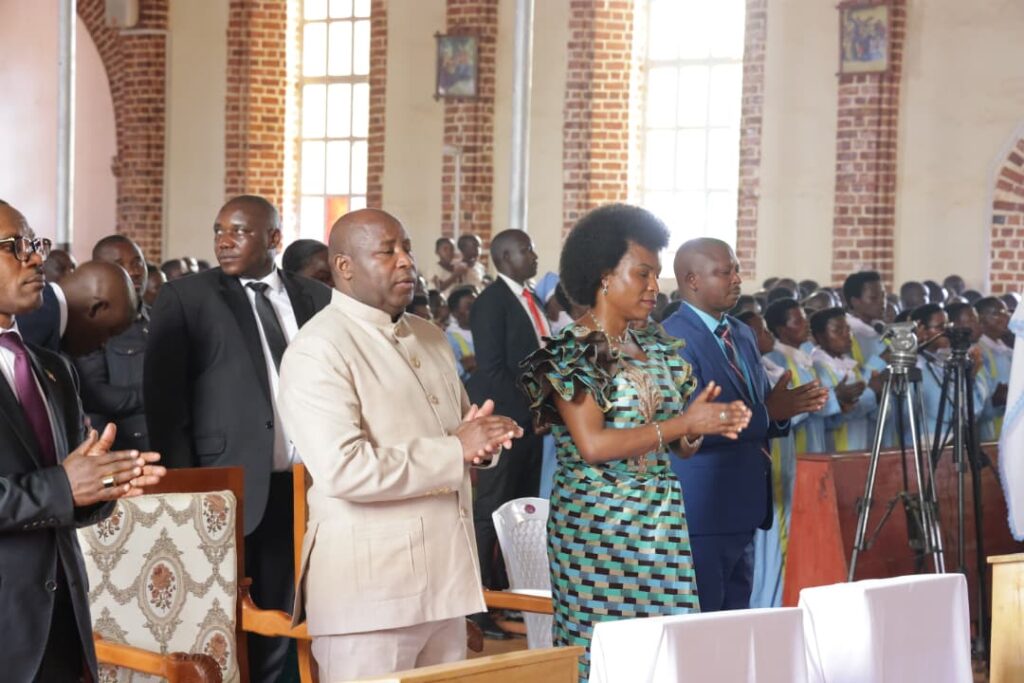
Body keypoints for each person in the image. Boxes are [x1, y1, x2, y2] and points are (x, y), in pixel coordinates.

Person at [277, 208, 521, 680]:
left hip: (446, 580)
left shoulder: (428, 336)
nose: (406, 260)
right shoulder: (318, 347)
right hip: (369, 593)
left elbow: (457, 433)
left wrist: (482, 442)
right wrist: (456, 449)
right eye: (387, 252)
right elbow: (344, 470)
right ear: (344, 266)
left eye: (406, 248)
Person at [520, 204, 750, 680]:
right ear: (604, 276)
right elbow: (593, 445)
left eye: (655, 275)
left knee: (664, 652)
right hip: (597, 529)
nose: (653, 287)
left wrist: (698, 429)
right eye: (642, 274)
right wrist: (681, 424)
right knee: (605, 653)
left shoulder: (655, 348)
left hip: (661, 522)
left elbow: (677, 444)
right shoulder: (574, 350)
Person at [144, 195, 331, 683]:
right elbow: (165, 405)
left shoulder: (316, 297)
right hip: (233, 488)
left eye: (239, 231)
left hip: (312, 486)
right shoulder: (188, 297)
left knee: (302, 612)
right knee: (236, 621)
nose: (224, 241)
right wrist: (189, 494)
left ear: (274, 238)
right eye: (219, 231)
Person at [0, 200, 165, 681]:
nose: (36, 258)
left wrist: (106, 483)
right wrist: (64, 486)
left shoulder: (53, 368)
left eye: (35, 244)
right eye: (15, 246)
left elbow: (71, 493)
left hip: (59, 623)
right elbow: (60, 486)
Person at [662, 238, 828, 612]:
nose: (737, 279)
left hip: (746, 502)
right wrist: (769, 413)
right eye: (725, 272)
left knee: (736, 621)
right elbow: (691, 424)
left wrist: (783, 411)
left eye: (737, 270)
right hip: (702, 507)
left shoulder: (740, 332)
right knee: (703, 621)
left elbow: (760, 401)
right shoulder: (672, 338)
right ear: (692, 280)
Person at [466, 229, 547, 623]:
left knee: (520, 510)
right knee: (491, 510)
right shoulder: (491, 302)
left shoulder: (531, 298)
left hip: (532, 424)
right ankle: (481, 603)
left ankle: (515, 595)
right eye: (526, 249)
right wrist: (529, 412)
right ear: (504, 257)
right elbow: (493, 370)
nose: (534, 255)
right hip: (506, 422)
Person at [737, 309, 799, 608]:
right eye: (759, 331)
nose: (767, 336)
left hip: (780, 465)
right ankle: (767, 606)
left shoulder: (773, 367)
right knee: (764, 556)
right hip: (759, 473)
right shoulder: (744, 371)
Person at [74, 235, 151, 451]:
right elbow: (94, 395)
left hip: (171, 442)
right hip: (125, 448)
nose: (134, 271)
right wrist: (156, 394)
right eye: (120, 265)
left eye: (138, 262)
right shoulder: (91, 326)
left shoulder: (162, 318)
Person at [17, 259, 137, 358]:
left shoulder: (44, 309)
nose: (103, 345)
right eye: (110, 332)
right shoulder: (36, 317)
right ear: (96, 308)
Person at [764, 299, 840, 453]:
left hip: (816, 444)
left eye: (806, 319)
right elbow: (783, 412)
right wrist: (826, 399)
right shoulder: (774, 362)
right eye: (798, 321)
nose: (807, 324)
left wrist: (838, 400)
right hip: (792, 450)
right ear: (781, 330)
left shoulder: (808, 358)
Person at [810, 307, 882, 452]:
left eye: (848, 330)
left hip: (861, 445)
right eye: (838, 331)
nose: (847, 336)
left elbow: (870, 412)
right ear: (820, 337)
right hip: (836, 449)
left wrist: (879, 394)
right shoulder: (818, 368)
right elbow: (831, 418)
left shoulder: (850, 365)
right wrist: (871, 392)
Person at [976, 296, 1012, 440]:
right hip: (988, 434)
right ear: (981, 319)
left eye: (1006, 312)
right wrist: (997, 400)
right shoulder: (978, 351)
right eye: (999, 313)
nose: (1006, 317)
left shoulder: (1007, 351)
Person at [843, 271, 887, 367]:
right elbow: (854, 374)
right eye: (874, 298)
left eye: (883, 296)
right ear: (855, 302)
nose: (882, 302)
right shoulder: (846, 334)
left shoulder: (881, 329)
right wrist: (884, 358)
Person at [446, 285, 477, 381]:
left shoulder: (488, 331)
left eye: (477, 306)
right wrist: (463, 366)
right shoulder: (449, 339)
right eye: (469, 307)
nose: (476, 310)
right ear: (455, 313)